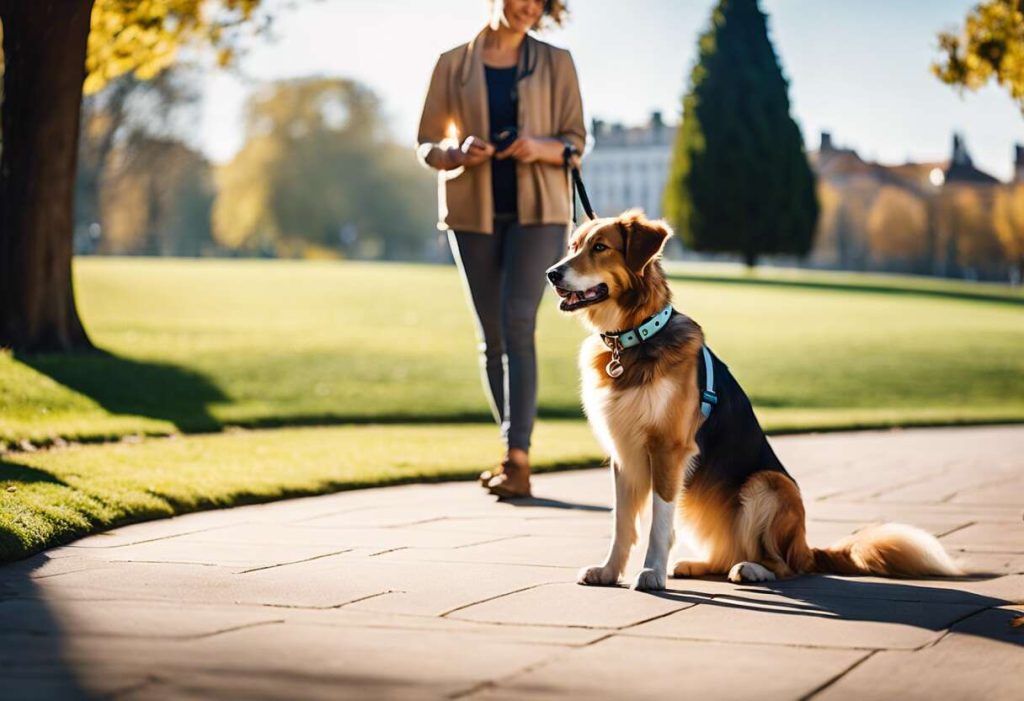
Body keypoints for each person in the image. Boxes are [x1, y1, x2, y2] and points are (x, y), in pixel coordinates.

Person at [416, 0, 585, 498]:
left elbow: (576, 142)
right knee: (492, 337)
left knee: (518, 322)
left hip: (541, 214)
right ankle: (512, 451)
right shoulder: (452, 63)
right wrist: (456, 153)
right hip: (472, 216)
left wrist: (538, 146)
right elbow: (426, 143)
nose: (529, 7)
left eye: (539, 0)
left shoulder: (557, 62)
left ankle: (518, 460)